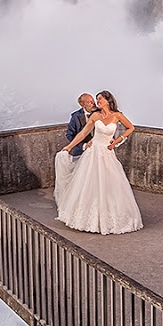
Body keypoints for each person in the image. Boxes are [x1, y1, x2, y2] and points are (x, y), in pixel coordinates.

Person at [55, 90, 143, 234]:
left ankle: (111, 219)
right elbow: (83, 133)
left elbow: (130, 128)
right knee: (90, 185)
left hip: (108, 154)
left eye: (100, 99)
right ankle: (88, 218)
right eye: (97, 99)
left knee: (111, 186)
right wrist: (69, 147)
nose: (98, 102)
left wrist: (117, 141)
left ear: (108, 100)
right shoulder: (95, 116)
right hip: (93, 153)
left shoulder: (117, 115)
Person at [53, 93, 96, 206]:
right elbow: (70, 135)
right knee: (80, 180)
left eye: (93, 101)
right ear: (82, 104)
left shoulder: (98, 114)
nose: (93, 103)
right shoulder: (76, 116)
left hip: (96, 152)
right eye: (90, 102)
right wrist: (82, 146)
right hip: (80, 152)